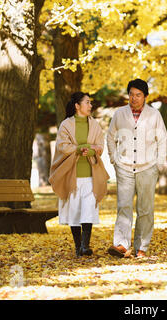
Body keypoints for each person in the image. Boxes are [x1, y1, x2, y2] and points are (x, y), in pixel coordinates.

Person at [106, 79, 167, 258]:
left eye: (138, 95)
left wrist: (159, 163)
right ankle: (121, 245)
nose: (134, 98)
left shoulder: (154, 115)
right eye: (131, 94)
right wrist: (113, 159)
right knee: (123, 206)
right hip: (124, 167)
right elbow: (111, 137)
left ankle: (142, 247)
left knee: (145, 208)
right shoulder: (120, 114)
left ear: (145, 97)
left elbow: (162, 139)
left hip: (148, 167)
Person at [49, 92, 109, 257]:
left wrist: (87, 149)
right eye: (87, 102)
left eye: (91, 103)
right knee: (74, 210)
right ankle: (77, 247)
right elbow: (63, 146)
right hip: (72, 175)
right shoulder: (66, 125)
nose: (90, 106)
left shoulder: (95, 125)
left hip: (91, 174)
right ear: (77, 105)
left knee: (88, 207)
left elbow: (100, 146)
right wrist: (78, 149)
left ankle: (85, 246)